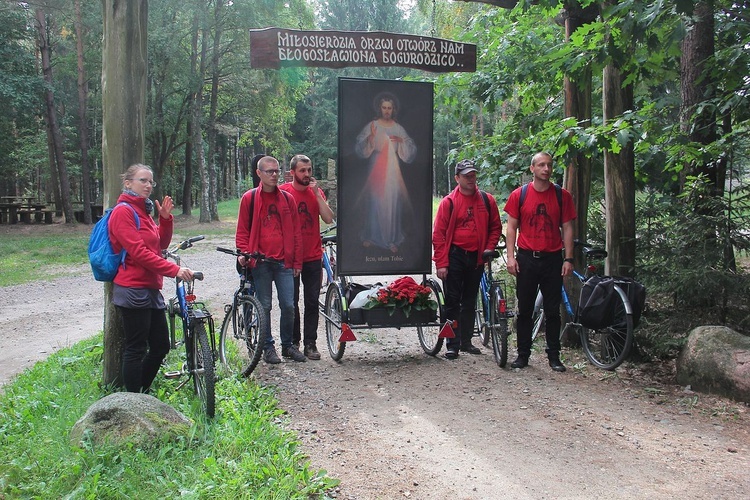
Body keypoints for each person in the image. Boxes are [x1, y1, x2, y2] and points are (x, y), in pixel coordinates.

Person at [109, 163, 194, 393]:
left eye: (150, 182)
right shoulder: (123, 211)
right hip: (132, 288)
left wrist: (164, 219)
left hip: (150, 288)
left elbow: (159, 245)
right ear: (128, 183)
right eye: (142, 180)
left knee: (160, 346)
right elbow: (138, 253)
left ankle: (141, 393)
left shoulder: (143, 211)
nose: (148, 185)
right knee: (136, 348)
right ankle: (133, 398)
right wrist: (173, 269)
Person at [504, 152, 577, 372]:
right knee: (525, 309)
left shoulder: (561, 196)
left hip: (553, 259)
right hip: (527, 258)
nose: (546, 169)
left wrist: (568, 258)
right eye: (542, 165)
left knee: (553, 311)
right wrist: (510, 257)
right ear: (532, 168)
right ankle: (522, 355)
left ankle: (554, 357)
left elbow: (567, 227)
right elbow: (511, 228)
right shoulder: (520, 195)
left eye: (549, 165)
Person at [236, 156, 305, 364]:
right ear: (259, 174)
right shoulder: (249, 199)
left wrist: (297, 262)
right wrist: (244, 253)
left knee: (289, 305)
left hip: (284, 262)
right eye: (269, 171)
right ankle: (267, 347)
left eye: (276, 171)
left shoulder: (287, 199)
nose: (274, 175)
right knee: (264, 306)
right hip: (261, 263)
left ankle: (287, 346)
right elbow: (242, 231)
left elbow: (296, 234)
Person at [432, 160, 502, 359]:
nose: (471, 179)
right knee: (453, 301)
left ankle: (466, 342)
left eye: (473, 175)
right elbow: (438, 234)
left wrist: (489, 248)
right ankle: (452, 344)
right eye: (466, 176)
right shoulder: (449, 202)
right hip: (455, 255)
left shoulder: (487, 200)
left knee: (470, 300)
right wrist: (441, 263)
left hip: (477, 257)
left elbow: (495, 227)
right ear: (457, 178)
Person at [280, 154, 335, 360]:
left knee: (312, 301)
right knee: (290, 302)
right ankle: (293, 343)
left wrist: (317, 195)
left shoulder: (316, 192)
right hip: (291, 257)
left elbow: (329, 218)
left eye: (309, 170)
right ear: (293, 172)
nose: (307, 174)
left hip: (313, 256)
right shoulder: (284, 192)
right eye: (302, 170)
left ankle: (310, 344)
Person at [354, 91, 416, 254]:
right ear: (380, 108)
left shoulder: (398, 128)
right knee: (375, 201)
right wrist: (371, 138)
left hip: (393, 169)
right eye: (384, 107)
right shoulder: (373, 125)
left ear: (393, 109)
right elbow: (360, 146)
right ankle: (372, 235)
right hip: (376, 166)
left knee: (392, 202)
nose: (387, 111)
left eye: (389, 108)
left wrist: (402, 141)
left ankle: (391, 239)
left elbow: (410, 149)